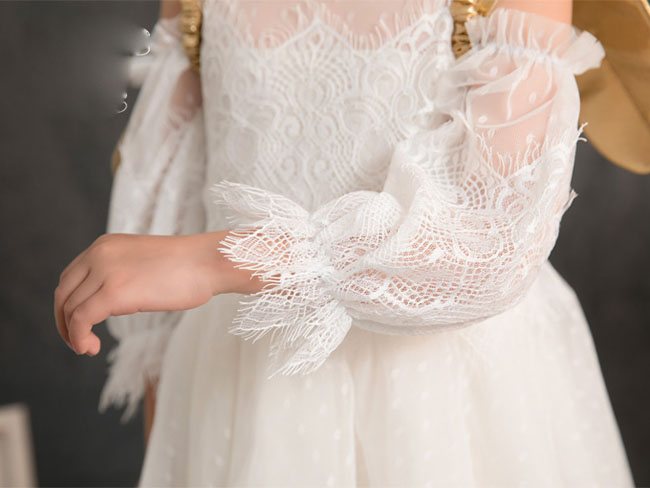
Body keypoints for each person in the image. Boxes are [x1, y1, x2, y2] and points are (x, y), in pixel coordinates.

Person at [54, 0, 635, 485]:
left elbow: (487, 242)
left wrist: (212, 261)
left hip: (445, 400)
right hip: (243, 387)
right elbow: (171, 208)